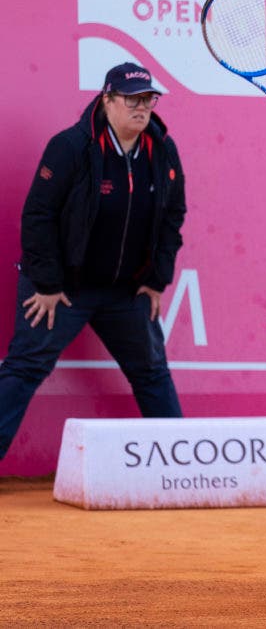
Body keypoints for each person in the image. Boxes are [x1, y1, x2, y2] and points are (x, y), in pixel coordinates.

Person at [0, 62, 187, 460]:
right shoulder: (71, 146)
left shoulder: (163, 149)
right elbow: (38, 216)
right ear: (107, 99)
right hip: (63, 289)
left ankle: (182, 469)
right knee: (24, 367)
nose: (142, 107)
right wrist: (48, 285)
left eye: (148, 99)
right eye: (132, 99)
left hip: (125, 291)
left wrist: (157, 278)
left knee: (152, 372)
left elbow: (173, 215)